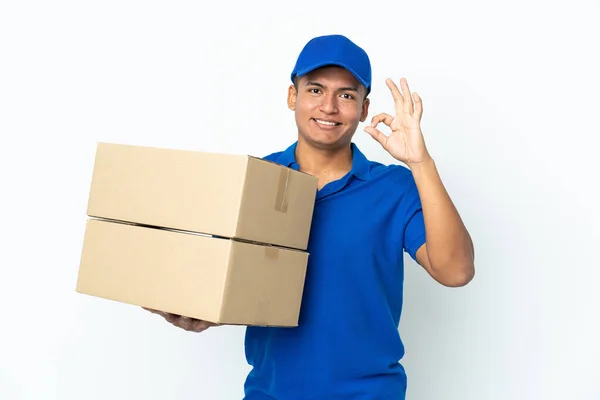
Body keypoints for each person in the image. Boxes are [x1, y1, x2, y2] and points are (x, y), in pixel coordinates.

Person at [147, 34, 475, 399]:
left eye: (347, 95)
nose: (329, 107)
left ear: (364, 109)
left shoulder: (394, 187)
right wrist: (200, 312)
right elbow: (230, 282)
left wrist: (420, 162)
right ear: (293, 97)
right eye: (316, 90)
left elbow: (455, 271)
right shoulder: (257, 179)